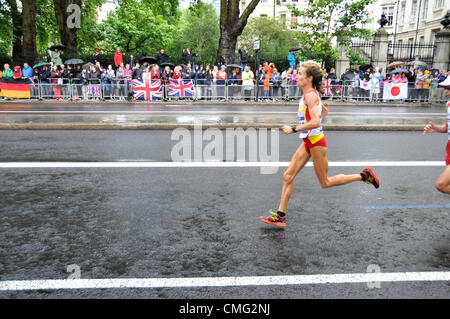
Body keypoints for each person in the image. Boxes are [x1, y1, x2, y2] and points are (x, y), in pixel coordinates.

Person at [258, 61, 380, 227]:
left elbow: (316, 121)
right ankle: (280, 215)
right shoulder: (309, 94)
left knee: (325, 182)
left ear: (309, 78)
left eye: (300, 74)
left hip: (316, 143)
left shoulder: (310, 95)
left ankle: (363, 175)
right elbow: (324, 112)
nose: (297, 76)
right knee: (288, 176)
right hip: (309, 141)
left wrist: (294, 129)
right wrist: (308, 129)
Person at [423, 77, 450, 193]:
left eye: (448, 88)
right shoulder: (448, 105)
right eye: (445, 88)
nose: (446, 91)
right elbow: (446, 128)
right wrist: (435, 129)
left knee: (441, 185)